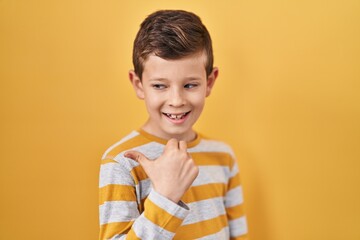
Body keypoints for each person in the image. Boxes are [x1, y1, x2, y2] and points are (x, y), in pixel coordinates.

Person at [99, 9, 249, 240]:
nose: (177, 101)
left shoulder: (223, 156)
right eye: (160, 86)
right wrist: (166, 197)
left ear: (209, 82)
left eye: (190, 85)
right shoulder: (121, 163)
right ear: (139, 85)